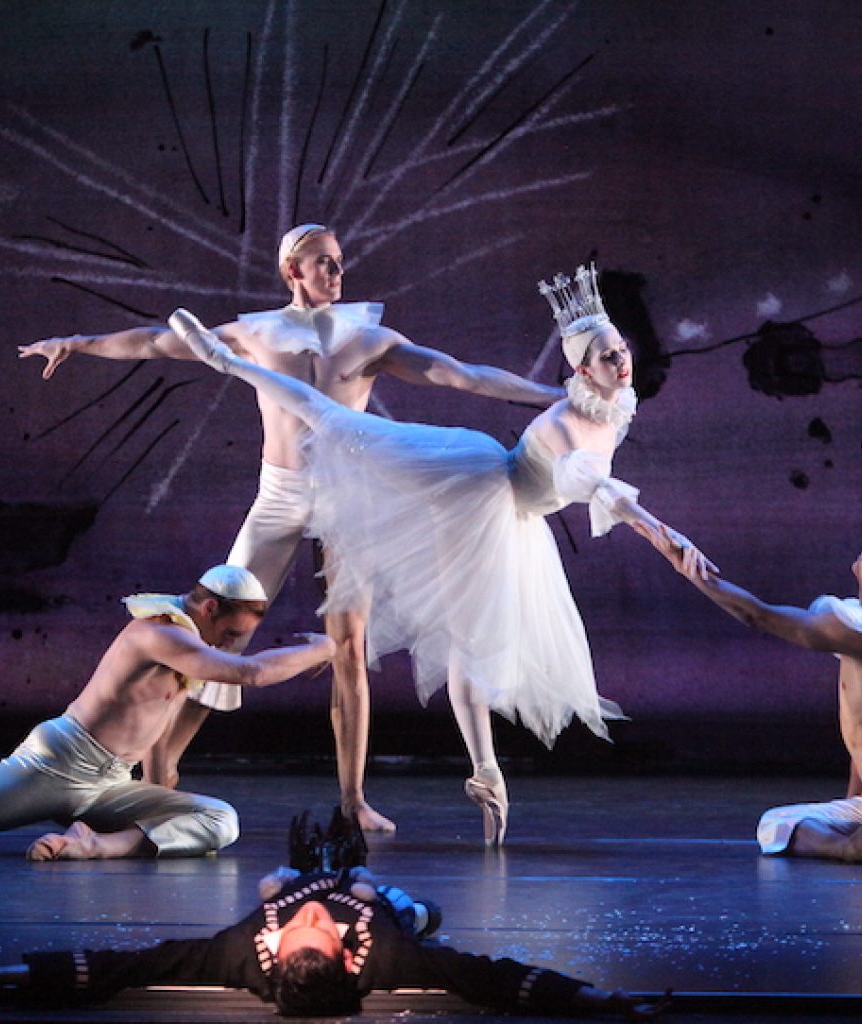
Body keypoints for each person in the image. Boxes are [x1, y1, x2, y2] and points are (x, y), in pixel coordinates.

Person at [18, 224, 564, 835]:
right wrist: (77, 342)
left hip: (348, 499)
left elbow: (459, 374)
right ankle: (158, 775)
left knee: (349, 649)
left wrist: (552, 393)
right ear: (292, 272)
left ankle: (353, 799)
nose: (337, 273)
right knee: (215, 635)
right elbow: (153, 341)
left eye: (339, 263)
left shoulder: (367, 338)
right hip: (278, 497)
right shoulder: (253, 332)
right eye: (323, 263)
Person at [166, 262, 709, 846]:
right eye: (607, 357)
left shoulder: (612, 403)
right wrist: (665, 535)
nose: (622, 363)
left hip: (516, 518)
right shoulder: (569, 425)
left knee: (477, 643)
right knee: (340, 422)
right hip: (476, 497)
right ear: (581, 369)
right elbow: (594, 487)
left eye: (621, 351)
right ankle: (229, 362)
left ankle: (485, 772)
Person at [0, 810, 670, 1019]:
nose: (311, 916)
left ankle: (366, 889)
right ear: (347, 958)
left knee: (277, 883)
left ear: (281, 950)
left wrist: (11, 974)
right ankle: (407, 905)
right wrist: (598, 1001)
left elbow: (128, 966)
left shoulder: (240, 953)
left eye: (304, 924)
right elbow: (494, 979)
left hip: (289, 896)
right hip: (392, 916)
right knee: (360, 887)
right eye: (317, 926)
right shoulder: (386, 957)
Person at [0, 565, 335, 860]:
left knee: (220, 820)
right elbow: (249, 674)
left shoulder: (188, 641)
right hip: (56, 766)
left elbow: (160, 712)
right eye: (230, 633)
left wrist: (158, 775)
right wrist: (328, 647)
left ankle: (96, 846)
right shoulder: (159, 634)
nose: (230, 644)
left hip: (107, 784)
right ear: (208, 608)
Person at [650, 535, 862, 864]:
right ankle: (859, 841)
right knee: (782, 822)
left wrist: (691, 571)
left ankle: (848, 848)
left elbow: (758, 615)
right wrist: (853, 804)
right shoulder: (857, 625)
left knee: (775, 825)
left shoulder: (861, 632)